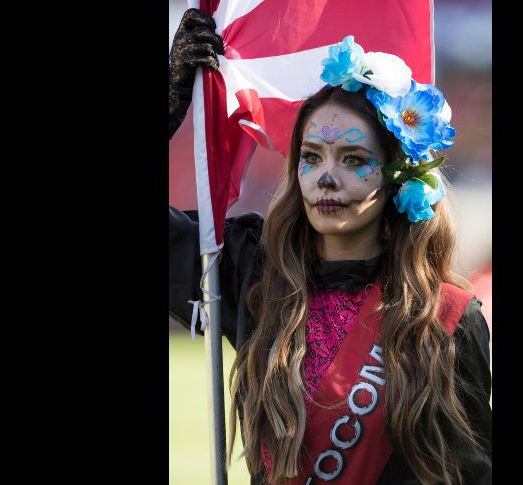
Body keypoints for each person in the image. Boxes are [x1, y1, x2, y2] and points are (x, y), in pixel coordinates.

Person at [168, 9, 492, 485]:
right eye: (311, 157)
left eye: (354, 159)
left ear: (396, 174)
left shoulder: (445, 317)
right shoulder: (254, 268)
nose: (325, 177)